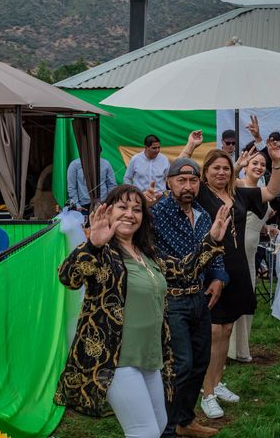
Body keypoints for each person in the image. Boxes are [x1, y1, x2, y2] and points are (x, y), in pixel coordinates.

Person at [54, 185, 230, 438]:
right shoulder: (102, 253)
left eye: (137, 209)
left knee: (158, 425)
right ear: (107, 212)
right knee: (144, 431)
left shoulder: (148, 255)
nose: (130, 214)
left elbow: (184, 270)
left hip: (150, 356)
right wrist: (92, 244)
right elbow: (68, 277)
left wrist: (212, 239)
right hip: (117, 359)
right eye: (122, 207)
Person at [179, 134, 280, 419]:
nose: (222, 172)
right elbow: (179, 172)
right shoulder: (199, 192)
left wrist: (276, 162)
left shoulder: (239, 193)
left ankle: (216, 380)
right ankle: (207, 392)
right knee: (213, 330)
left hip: (237, 266)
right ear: (206, 171)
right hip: (211, 267)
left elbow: (271, 192)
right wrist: (190, 148)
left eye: (226, 168)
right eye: (216, 168)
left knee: (226, 330)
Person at [149, 158, 230, 438]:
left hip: (200, 300)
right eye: (181, 180)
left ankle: (184, 420)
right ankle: (167, 428)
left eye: (193, 181)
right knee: (179, 366)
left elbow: (215, 250)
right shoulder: (157, 214)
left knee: (199, 363)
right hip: (171, 301)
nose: (187, 186)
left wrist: (218, 278)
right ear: (169, 182)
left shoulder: (204, 215)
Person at [227, 142, 274, 363]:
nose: (258, 166)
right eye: (254, 163)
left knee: (247, 299)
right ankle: (227, 348)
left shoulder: (263, 191)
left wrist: (267, 228)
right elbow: (224, 182)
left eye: (262, 164)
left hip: (251, 254)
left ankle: (241, 349)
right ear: (246, 165)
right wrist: (237, 165)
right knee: (231, 298)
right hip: (235, 251)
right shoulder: (237, 184)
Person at [244, 115, 280, 233]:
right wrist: (257, 137)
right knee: (270, 229)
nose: (275, 142)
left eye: (277, 140)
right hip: (272, 199)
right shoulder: (269, 158)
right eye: (254, 163)